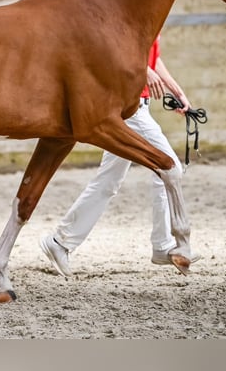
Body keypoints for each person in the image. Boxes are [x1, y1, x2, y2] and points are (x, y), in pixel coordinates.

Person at [39, 36, 202, 276]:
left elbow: (153, 58)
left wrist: (175, 90)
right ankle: (163, 244)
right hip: (130, 107)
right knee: (168, 168)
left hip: (138, 104)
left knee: (108, 181)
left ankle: (60, 242)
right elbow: (111, 46)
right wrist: (142, 69)